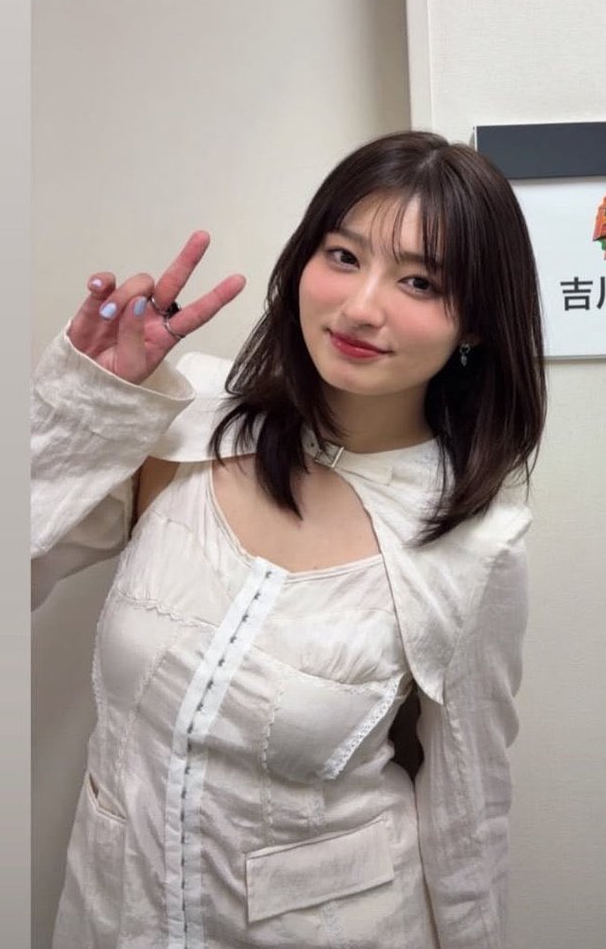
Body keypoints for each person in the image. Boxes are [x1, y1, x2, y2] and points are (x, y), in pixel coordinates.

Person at [31, 131, 546, 949]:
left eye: (419, 281)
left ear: (476, 325)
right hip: (114, 913)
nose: (362, 307)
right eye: (343, 256)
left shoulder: (475, 542)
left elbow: (468, 813)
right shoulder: (185, 422)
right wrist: (89, 409)